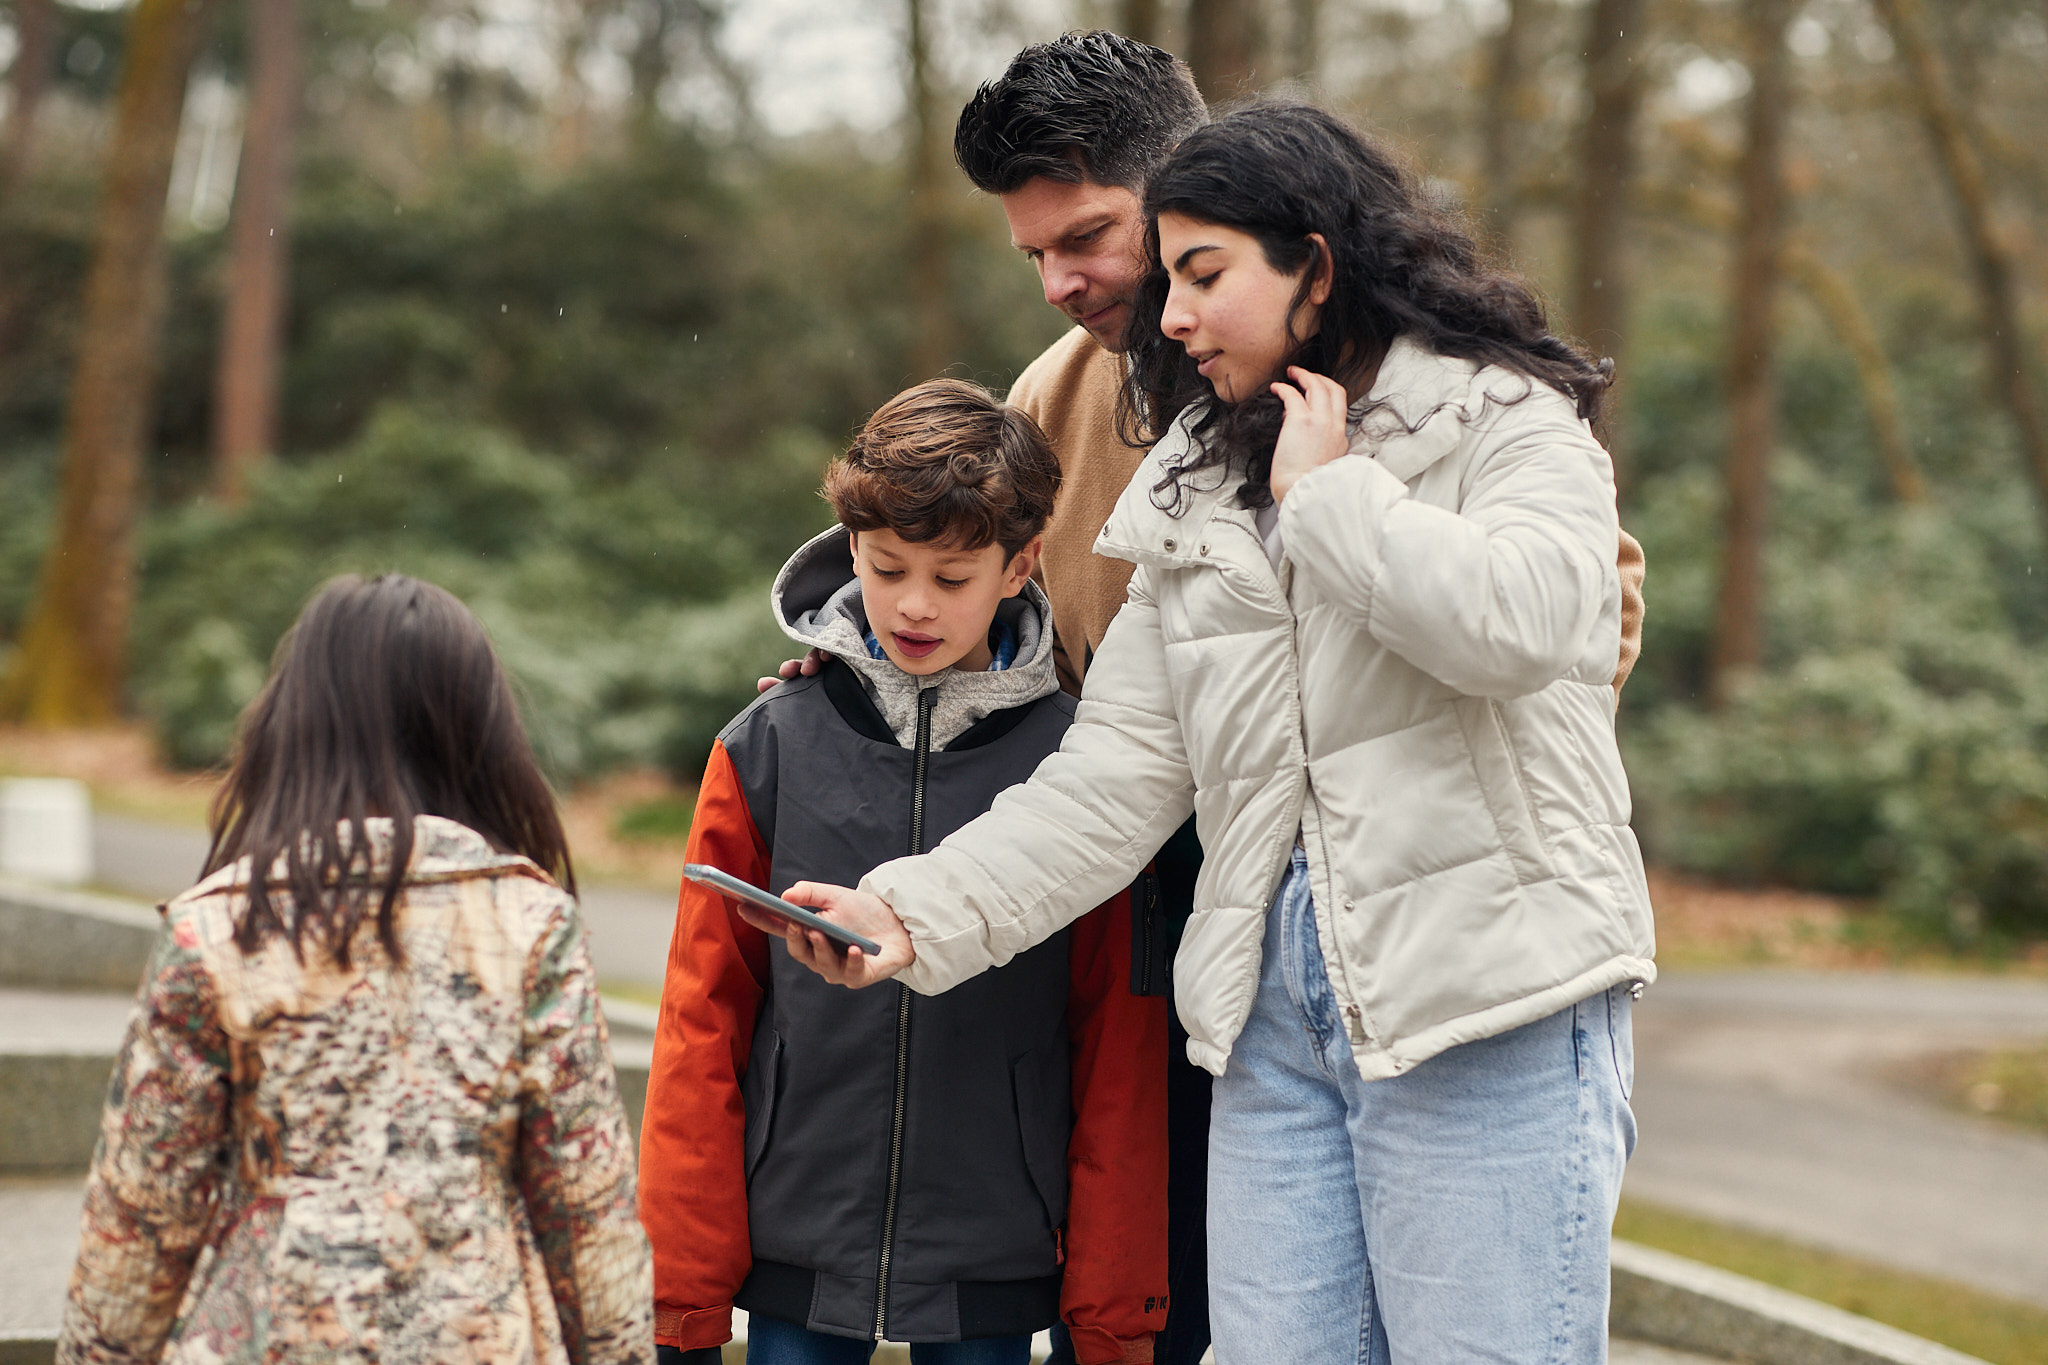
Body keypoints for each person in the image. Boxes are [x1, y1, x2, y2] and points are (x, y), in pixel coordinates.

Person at [766, 104, 1656, 1365]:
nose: (1170, 317)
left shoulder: (1500, 415)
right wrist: (913, 911)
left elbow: (1528, 628)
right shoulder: (1193, 473)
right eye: (1168, 278)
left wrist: (1332, 496)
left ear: (1317, 263)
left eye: (1202, 276)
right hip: (1268, 1020)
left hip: (1482, 999)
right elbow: (1115, 775)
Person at [638, 379, 1167, 1365]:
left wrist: (1111, 1313)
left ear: (1021, 566)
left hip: (999, 1259)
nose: (914, 605)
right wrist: (682, 1295)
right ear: (849, 551)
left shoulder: (1087, 772)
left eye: (952, 577)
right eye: (886, 569)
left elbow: (1115, 1047)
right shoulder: (766, 747)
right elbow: (698, 1025)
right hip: (793, 1244)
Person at [57, 573, 653, 1365]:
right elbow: (585, 1208)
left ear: (293, 723)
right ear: (476, 732)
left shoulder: (216, 926)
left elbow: (141, 1212)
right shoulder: (529, 924)